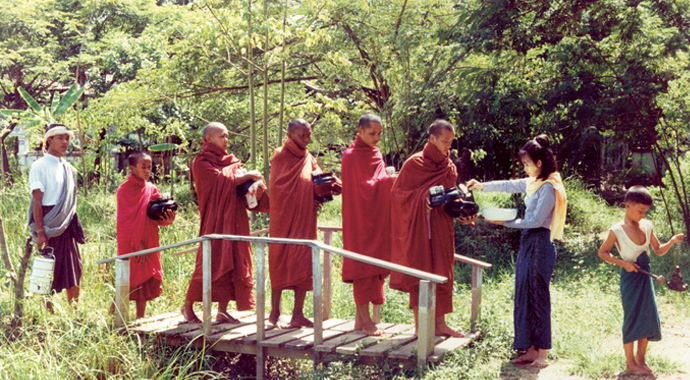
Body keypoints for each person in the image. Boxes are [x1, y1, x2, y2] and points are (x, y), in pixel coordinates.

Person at [467, 134, 567, 368]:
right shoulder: (534, 181)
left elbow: (534, 221)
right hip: (528, 242)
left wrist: (505, 223)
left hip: (540, 243)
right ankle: (530, 349)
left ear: (539, 163)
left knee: (538, 297)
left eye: (526, 164)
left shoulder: (549, 187)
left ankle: (543, 354)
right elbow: (508, 184)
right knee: (524, 294)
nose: (524, 169)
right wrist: (482, 185)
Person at [389, 119, 477, 338]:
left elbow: (450, 198)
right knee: (421, 275)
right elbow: (398, 196)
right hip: (418, 229)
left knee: (442, 272)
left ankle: (440, 325)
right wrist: (423, 197)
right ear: (432, 139)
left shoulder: (449, 167)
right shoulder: (414, 164)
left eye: (451, 141)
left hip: (440, 228)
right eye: (445, 141)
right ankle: (421, 327)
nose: (449, 146)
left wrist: (463, 213)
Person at [181, 122, 268, 324]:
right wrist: (246, 175)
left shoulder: (231, 162)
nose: (226, 140)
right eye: (222, 136)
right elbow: (219, 182)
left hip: (236, 219)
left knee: (234, 262)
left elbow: (239, 188)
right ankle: (187, 305)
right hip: (215, 219)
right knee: (209, 262)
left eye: (227, 136)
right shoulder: (201, 162)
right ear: (208, 138)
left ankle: (222, 310)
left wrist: (255, 186)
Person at [597, 186, 684, 376]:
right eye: (640, 210)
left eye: (646, 211)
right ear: (628, 206)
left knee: (647, 316)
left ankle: (641, 359)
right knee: (632, 317)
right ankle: (630, 363)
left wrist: (672, 241)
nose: (643, 214)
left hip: (646, 275)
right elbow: (602, 252)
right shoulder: (617, 230)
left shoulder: (647, 225)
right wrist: (622, 262)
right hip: (630, 278)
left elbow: (658, 250)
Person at [268, 118, 340, 328]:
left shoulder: (308, 157)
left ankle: (297, 314)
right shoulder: (280, 154)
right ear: (289, 135)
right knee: (280, 260)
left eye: (309, 135)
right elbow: (279, 187)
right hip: (283, 218)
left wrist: (328, 185)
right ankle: (274, 313)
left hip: (305, 219)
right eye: (302, 135)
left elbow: (316, 178)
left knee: (303, 261)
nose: (307, 139)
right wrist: (307, 190)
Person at [341, 113, 394, 336]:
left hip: (376, 218)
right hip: (358, 220)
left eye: (380, 133)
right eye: (372, 133)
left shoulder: (376, 153)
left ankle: (360, 321)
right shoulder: (350, 155)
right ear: (359, 132)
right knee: (361, 266)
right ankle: (367, 322)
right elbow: (362, 187)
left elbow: (378, 178)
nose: (377, 138)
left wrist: (387, 179)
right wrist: (390, 179)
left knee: (373, 265)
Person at [28, 123, 86, 310]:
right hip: (48, 222)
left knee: (74, 267)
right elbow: (37, 201)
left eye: (67, 138)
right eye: (60, 138)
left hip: (66, 223)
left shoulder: (68, 168)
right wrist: (40, 232)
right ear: (49, 140)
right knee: (49, 268)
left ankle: (74, 311)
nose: (65, 142)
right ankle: (49, 313)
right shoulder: (39, 166)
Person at [116, 151, 176, 319]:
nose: (148, 170)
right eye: (143, 167)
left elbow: (157, 215)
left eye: (150, 167)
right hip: (130, 243)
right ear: (132, 168)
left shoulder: (151, 189)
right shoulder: (123, 190)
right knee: (128, 280)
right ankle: (116, 317)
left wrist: (168, 220)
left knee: (144, 280)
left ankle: (140, 318)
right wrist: (136, 245)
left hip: (149, 240)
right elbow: (125, 222)